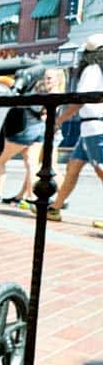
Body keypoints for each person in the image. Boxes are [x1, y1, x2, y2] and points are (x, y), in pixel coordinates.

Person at [37, 34, 103, 226]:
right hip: (90, 128)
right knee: (73, 167)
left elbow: (81, 100)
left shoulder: (91, 69)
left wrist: (59, 120)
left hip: (94, 126)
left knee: (101, 171)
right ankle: (55, 208)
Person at [0, 72, 54, 208]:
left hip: (22, 131)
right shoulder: (42, 93)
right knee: (31, 165)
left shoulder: (20, 92)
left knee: (0, 160)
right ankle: (30, 197)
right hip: (38, 129)